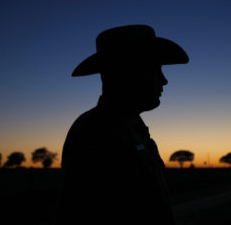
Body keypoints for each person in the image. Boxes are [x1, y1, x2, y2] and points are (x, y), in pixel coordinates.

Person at [55, 25, 189, 224]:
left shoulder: (136, 130)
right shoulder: (92, 135)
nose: (164, 80)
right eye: (155, 69)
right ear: (127, 73)